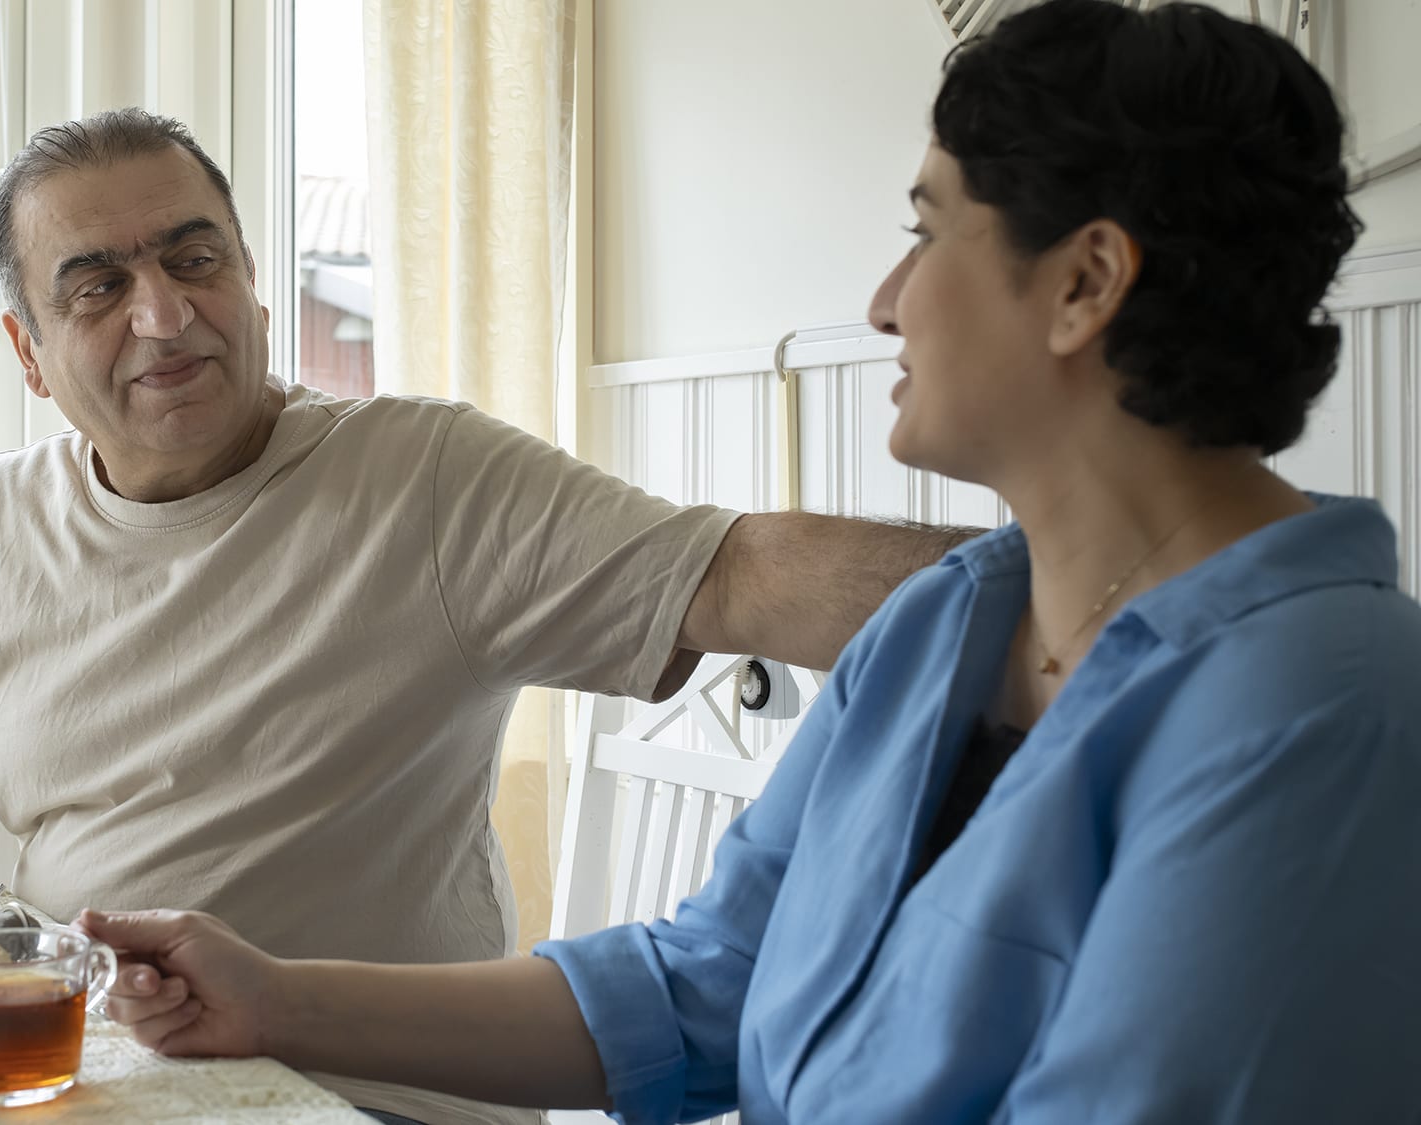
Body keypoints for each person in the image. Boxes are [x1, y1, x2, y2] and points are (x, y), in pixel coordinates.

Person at [81, 4, 1421, 1123]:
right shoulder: (950, 624)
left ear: (1084, 283)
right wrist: (270, 996)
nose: (885, 301)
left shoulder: (1322, 704)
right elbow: (700, 984)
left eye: (925, 230)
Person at [0, 110, 966, 1123]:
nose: (165, 314)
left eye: (197, 258)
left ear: (252, 276)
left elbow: (730, 572)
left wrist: (1110, 584)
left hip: (372, 1092)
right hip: (92, 1081)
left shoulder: (422, 475)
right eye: (97, 286)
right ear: (25, 347)